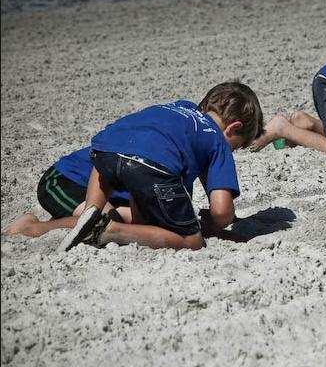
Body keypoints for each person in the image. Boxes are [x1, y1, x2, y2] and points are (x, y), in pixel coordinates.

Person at [59, 81, 264, 251]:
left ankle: (92, 211)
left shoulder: (181, 108)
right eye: (235, 146)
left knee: (111, 161)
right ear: (233, 128)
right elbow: (221, 212)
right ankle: (109, 231)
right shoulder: (218, 141)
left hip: (105, 150)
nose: (231, 151)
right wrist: (212, 222)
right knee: (192, 241)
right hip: (152, 167)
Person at [1, 147, 131, 238]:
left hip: (100, 187)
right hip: (65, 179)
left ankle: (59, 221)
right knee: (104, 225)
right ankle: (31, 227)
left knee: (117, 222)